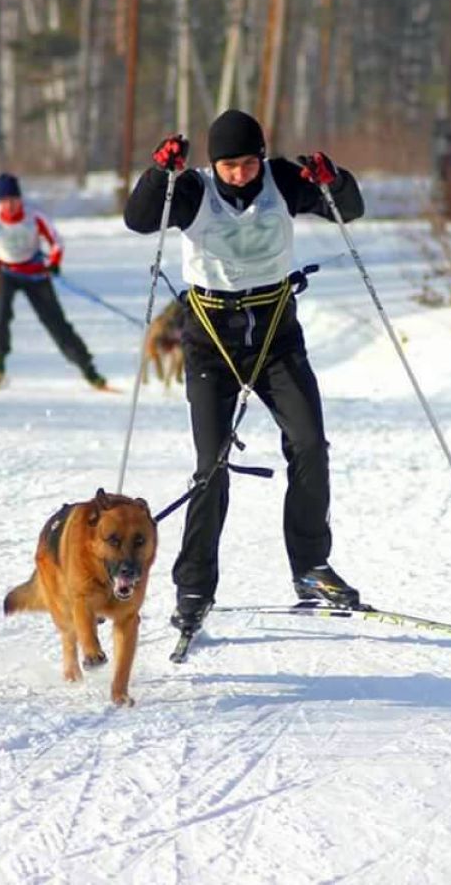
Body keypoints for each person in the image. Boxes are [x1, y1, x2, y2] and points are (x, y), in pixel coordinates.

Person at [124, 109, 366, 633]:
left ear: (262, 155)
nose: (239, 174)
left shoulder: (283, 180)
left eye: (248, 163)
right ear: (215, 164)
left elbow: (350, 209)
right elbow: (139, 219)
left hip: (276, 334)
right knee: (211, 466)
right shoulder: (193, 189)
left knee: (310, 444)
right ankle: (194, 586)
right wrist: (159, 176)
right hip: (210, 339)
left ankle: (311, 567)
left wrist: (335, 181)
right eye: (229, 165)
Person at [0, 172, 107, 390]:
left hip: (35, 273)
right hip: (5, 271)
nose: (10, 205)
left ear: (20, 199)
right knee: (1, 316)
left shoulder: (34, 216)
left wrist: (54, 262)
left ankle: (89, 370)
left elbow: (56, 241)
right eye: (5, 201)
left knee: (56, 322)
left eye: (14, 200)